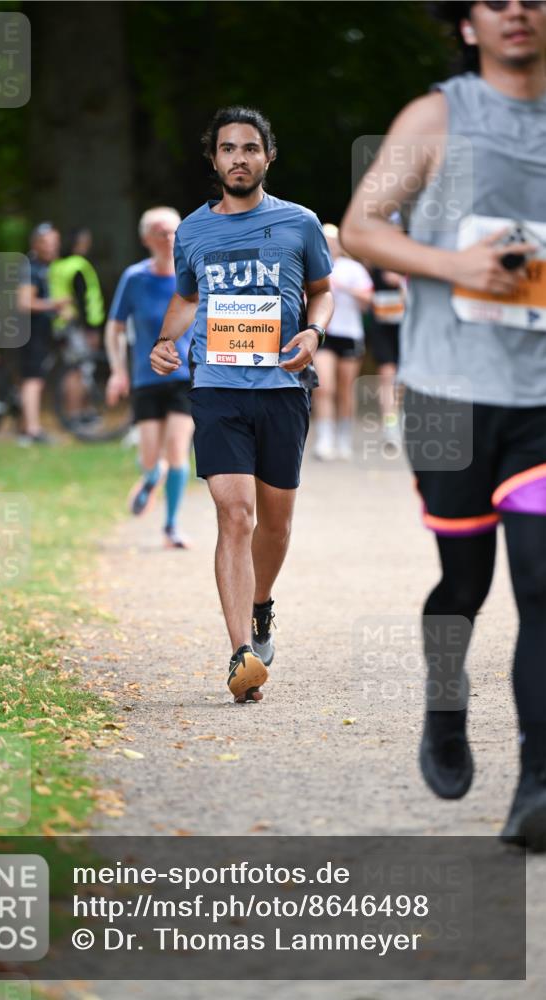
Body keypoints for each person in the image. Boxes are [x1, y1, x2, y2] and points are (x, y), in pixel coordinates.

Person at [341, 0, 546, 849]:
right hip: (445, 394)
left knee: (540, 587)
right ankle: (444, 700)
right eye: (495, 1)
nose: (517, 13)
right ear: (467, 24)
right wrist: (455, 264)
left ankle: (536, 784)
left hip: (539, 398)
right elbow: (359, 229)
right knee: (462, 586)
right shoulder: (438, 116)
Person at [150, 106, 334, 703]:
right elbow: (185, 298)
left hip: (282, 390)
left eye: (249, 148)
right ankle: (240, 655)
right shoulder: (193, 232)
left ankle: (261, 607)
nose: (238, 158)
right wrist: (165, 341)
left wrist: (314, 333)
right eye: (227, 148)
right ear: (214, 159)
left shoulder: (300, 223)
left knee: (276, 524)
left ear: (267, 157)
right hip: (217, 388)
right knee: (236, 514)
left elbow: (321, 292)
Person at [105, 207, 195, 549]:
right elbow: (114, 328)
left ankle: (170, 526)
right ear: (146, 239)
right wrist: (118, 370)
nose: (168, 239)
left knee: (177, 449)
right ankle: (150, 478)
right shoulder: (134, 278)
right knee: (150, 457)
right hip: (145, 378)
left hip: (185, 376)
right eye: (160, 232)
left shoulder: (191, 276)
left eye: (173, 232)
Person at [311, 224, 373, 460]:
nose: (329, 245)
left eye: (332, 240)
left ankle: (344, 437)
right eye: (324, 240)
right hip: (323, 333)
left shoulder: (353, 268)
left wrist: (342, 288)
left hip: (349, 333)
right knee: (324, 386)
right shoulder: (314, 266)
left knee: (345, 390)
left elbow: (368, 301)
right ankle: (325, 438)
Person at [16, 222, 70, 445]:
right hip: (28, 331)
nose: (52, 248)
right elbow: (24, 303)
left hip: (36, 330)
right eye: (47, 243)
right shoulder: (31, 268)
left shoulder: (46, 267)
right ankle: (32, 431)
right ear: (35, 244)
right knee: (33, 380)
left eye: (55, 243)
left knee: (30, 379)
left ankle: (24, 425)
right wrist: (54, 305)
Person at [49, 227, 106, 429]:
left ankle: (79, 413)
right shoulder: (78, 266)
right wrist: (90, 329)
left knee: (74, 369)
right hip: (78, 326)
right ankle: (75, 416)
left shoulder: (58, 265)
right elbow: (82, 300)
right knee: (79, 370)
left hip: (62, 325)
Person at [367, 264, 406, 454]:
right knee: (387, 375)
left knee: (404, 379)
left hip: (407, 323)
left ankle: (401, 420)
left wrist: (404, 281)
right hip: (382, 323)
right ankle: (390, 426)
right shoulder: (373, 257)